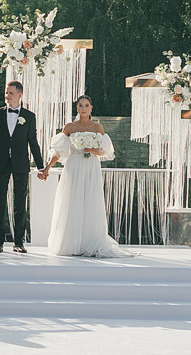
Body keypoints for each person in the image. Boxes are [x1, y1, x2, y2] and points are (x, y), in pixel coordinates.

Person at [43, 95, 132, 259]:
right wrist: (47, 167)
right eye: (80, 105)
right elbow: (59, 152)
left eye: (86, 105)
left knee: (91, 201)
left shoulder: (97, 128)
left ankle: (90, 242)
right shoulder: (69, 127)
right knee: (71, 200)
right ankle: (70, 242)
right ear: (77, 108)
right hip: (74, 165)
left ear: (91, 108)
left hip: (91, 166)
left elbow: (104, 152)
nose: (83, 108)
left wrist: (91, 149)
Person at [0, 79, 46, 253]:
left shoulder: (29, 116)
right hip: (0, 164)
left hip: (21, 164)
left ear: (19, 94)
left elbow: (33, 143)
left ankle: (19, 242)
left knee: (20, 203)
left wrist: (40, 166)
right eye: (6, 92)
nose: (7, 95)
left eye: (10, 93)